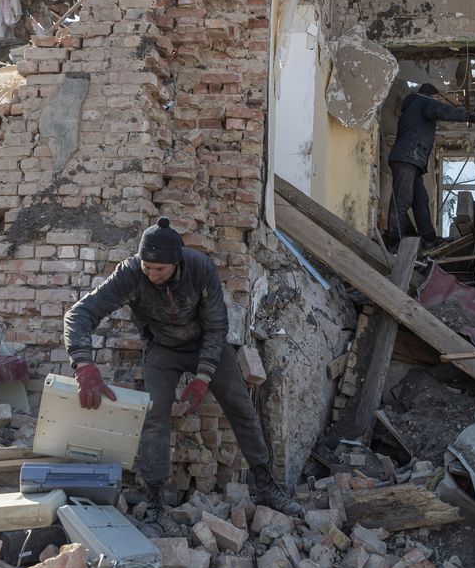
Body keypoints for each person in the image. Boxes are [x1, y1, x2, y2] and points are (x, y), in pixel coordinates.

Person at [63, 217, 304, 530]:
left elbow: (217, 327)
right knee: (154, 414)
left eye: (158, 270)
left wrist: (203, 376)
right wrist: (83, 364)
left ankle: (267, 484)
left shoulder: (199, 268)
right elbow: (80, 314)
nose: (150, 274)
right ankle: (155, 501)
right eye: (146, 267)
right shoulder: (131, 273)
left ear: (175, 263)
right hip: (162, 350)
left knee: (241, 406)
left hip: (206, 344)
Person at [386, 83, 475, 248]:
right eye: (437, 98)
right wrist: (471, 117)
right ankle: (394, 240)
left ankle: (429, 239)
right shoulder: (421, 102)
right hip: (407, 158)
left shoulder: (413, 106)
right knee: (402, 199)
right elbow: (442, 110)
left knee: (420, 200)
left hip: (412, 160)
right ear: (432, 96)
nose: (438, 101)